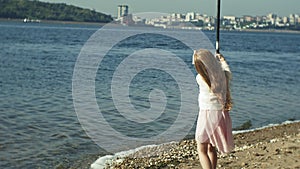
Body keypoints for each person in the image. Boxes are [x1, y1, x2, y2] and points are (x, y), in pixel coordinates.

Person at [193, 49, 234, 169]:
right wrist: (221, 61)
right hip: (220, 115)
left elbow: (203, 70)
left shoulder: (200, 78)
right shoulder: (223, 76)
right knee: (211, 146)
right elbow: (227, 71)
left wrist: (212, 63)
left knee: (201, 148)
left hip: (206, 115)